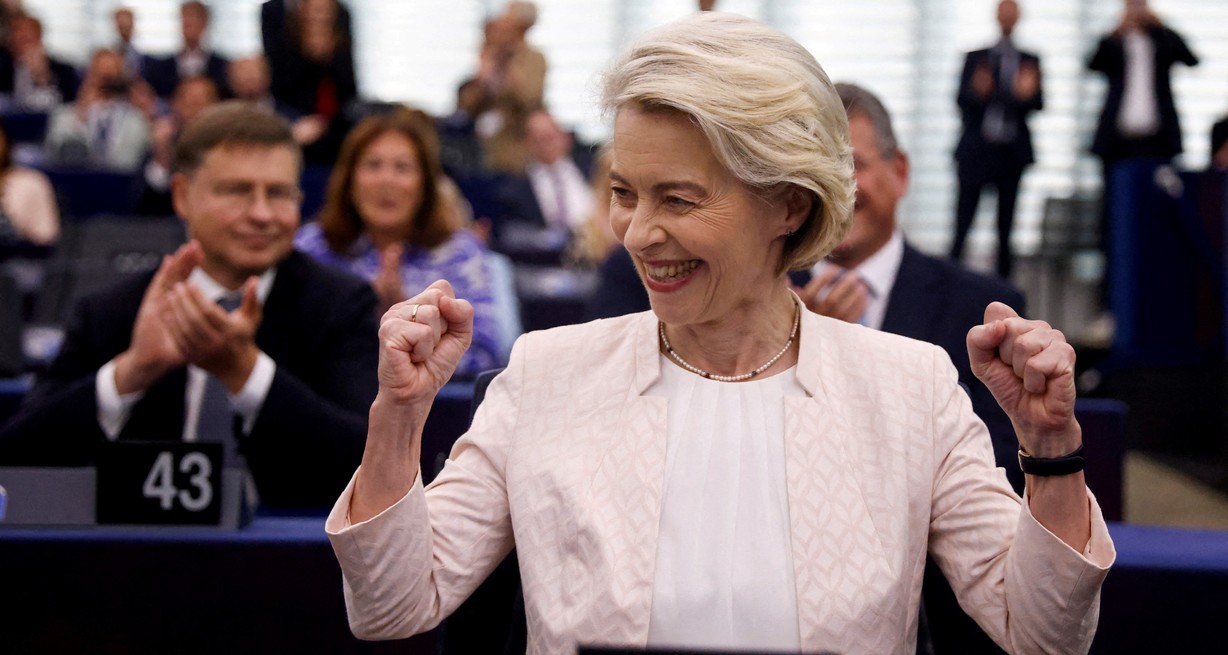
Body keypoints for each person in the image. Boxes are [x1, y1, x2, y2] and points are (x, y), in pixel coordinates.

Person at [325, 13, 1113, 654]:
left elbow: (1042, 632)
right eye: (624, 192)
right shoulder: (545, 374)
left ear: (789, 204)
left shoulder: (910, 386)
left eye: (679, 198)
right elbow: (393, 604)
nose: (637, 232)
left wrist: (1051, 449)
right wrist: (398, 417)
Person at [0, 101, 380, 510]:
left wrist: (247, 373)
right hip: (136, 546)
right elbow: (16, 458)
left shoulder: (341, 305)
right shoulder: (113, 310)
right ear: (182, 196)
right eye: (236, 191)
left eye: (279, 193)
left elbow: (370, 463)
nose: (261, 214)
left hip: (292, 547)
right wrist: (132, 372)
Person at [807, 81, 1028, 654]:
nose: (836, 188)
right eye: (813, 169)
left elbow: (1005, 471)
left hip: (942, 611)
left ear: (899, 171)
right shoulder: (753, 305)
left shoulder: (981, 307)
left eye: (851, 165)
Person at [294, 108, 504, 378]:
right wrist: (368, 319)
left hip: (437, 401)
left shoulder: (460, 252)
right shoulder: (310, 248)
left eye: (402, 168)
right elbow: (287, 348)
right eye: (373, 165)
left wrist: (408, 320)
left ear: (425, 185)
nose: (387, 181)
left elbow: (486, 357)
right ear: (349, 180)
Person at [949, 0, 1042, 280]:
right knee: (963, 224)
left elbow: (1037, 103)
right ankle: (950, 283)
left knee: (1006, 228)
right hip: (977, 153)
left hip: (1010, 155)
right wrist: (978, 92)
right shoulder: (977, 58)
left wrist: (1021, 96)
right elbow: (961, 100)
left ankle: (1004, 289)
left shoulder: (1029, 61)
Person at [43, 48, 150, 171]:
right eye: (100, 74)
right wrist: (80, 116)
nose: (105, 83)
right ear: (89, 76)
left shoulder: (136, 121)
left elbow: (129, 162)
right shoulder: (64, 116)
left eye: (110, 77)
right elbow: (56, 154)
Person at [143, 1, 231, 100]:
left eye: (196, 20)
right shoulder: (160, 68)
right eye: (186, 21)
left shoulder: (222, 67)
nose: (190, 25)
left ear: (205, 24)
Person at [0, 12, 80, 110]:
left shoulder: (63, 71)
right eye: (17, 34)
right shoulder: (3, 67)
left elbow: (67, 105)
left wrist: (41, 76)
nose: (21, 39)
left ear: (40, 37)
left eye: (27, 38)